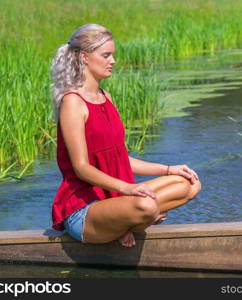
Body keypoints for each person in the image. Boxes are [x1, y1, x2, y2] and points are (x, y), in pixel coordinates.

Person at [50, 24, 201, 248]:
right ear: (84, 57)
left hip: (116, 200)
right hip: (85, 209)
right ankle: (135, 220)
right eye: (106, 55)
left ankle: (129, 223)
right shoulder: (73, 102)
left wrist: (169, 169)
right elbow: (81, 167)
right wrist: (128, 188)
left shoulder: (106, 97)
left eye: (112, 55)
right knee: (147, 206)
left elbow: (120, 159)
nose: (113, 61)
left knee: (190, 183)